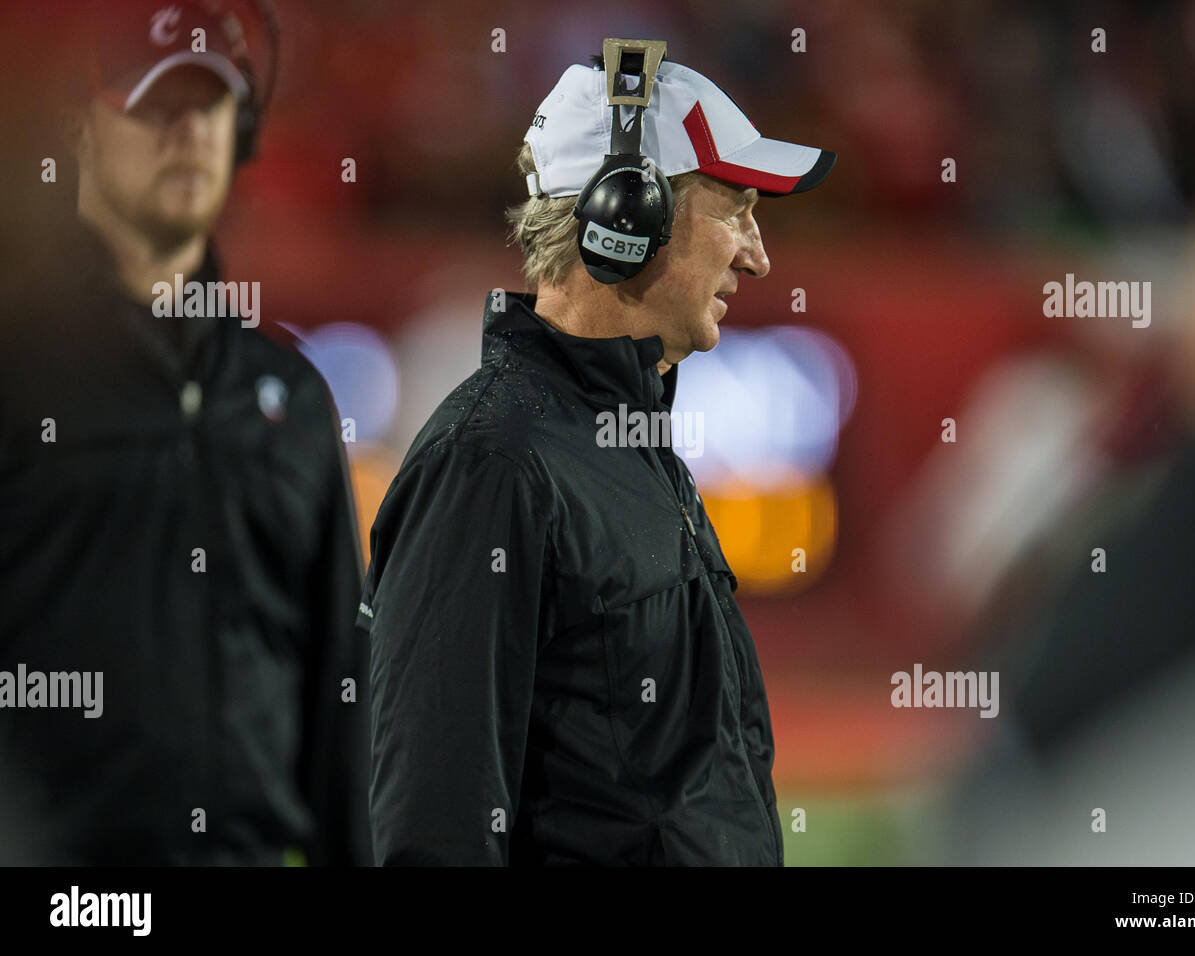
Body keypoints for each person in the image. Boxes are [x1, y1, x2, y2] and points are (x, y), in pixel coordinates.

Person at [362, 43, 835, 865]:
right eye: (735, 209)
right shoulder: (490, 463)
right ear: (628, 216)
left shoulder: (635, 451)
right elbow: (435, 833)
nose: (758, 254)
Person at [0, 0, 371, 865]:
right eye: (152, 104)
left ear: (240, 129)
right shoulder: (16, 375)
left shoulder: (290, 397)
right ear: (80, 130)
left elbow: (339, 702)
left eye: (208, 105)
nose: (187, 134)